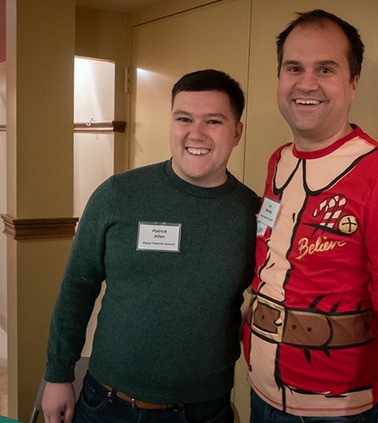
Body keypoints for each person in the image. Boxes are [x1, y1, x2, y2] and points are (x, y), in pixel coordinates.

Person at [42, 69, 260, 423]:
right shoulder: (117, 194)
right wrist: (57, 373)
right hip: (106, 404)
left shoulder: (253, 214)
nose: (196, 133)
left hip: (203, 411)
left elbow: (271, 295)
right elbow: (77, 287)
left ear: (237, 132)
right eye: (184, 118)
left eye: (213, 121)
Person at [243, 9, 378, 423]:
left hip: (339, 411)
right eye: (294, 68)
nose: (306, 83)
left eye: (325, 69)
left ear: (353, 83)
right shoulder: (278, 160)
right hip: (260, 393)